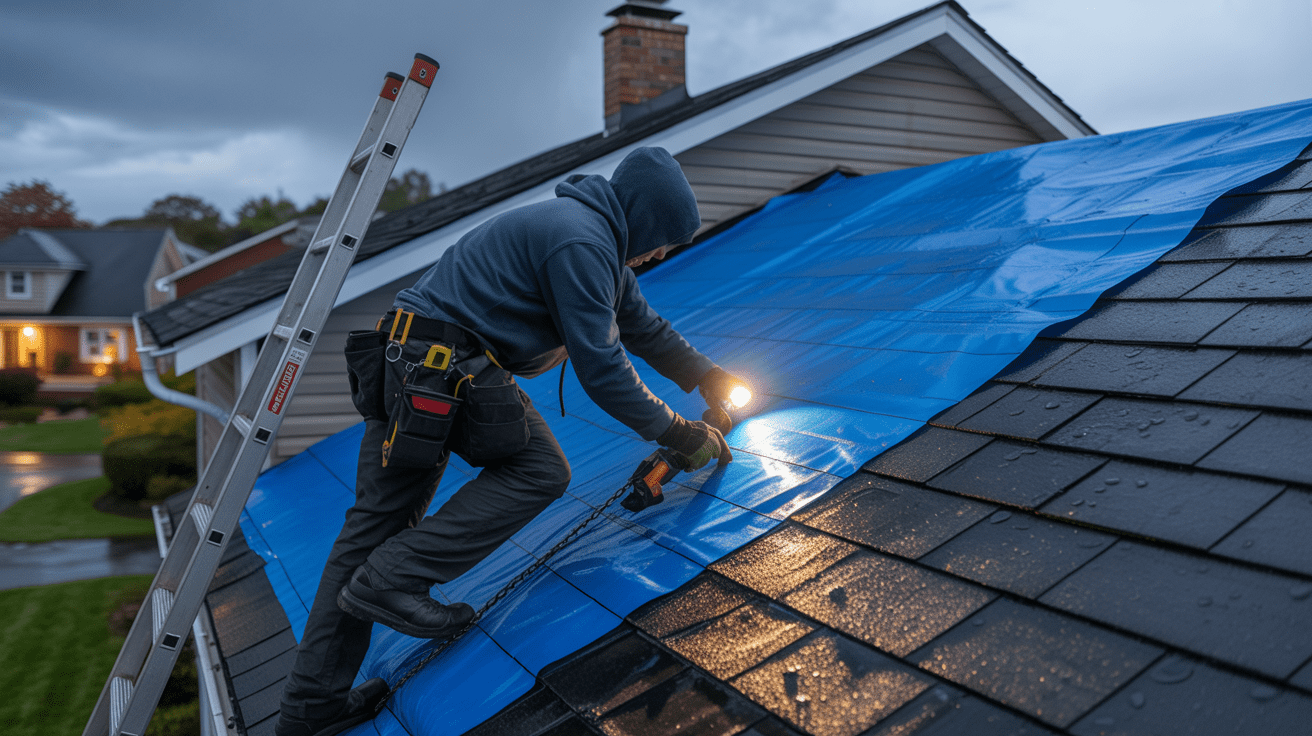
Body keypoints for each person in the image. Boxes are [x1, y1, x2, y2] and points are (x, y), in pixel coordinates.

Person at [275, 147, 747, 736]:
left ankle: (308, 709)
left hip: (410, 359)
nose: (659, 255)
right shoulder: (583, 243)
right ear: (646, 219)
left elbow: (643, 328)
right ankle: (393, 578)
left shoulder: (591, 240)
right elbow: (603, 369)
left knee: (368, 532)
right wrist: (680, 433)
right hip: (442, 367)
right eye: (664, 242)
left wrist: (708, 377)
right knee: (541, 470)